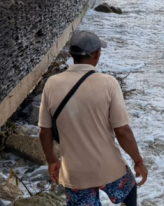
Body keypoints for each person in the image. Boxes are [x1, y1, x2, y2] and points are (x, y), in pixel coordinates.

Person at [38, 31, 148, 206]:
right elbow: (122, 131)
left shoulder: (51, 84)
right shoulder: (108, 83)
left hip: (75, 173)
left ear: (72, 55)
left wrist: (52, 160)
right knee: (129, 189)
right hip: (108, 167)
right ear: (97, 54)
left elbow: (44, 132)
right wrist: (138, 161)